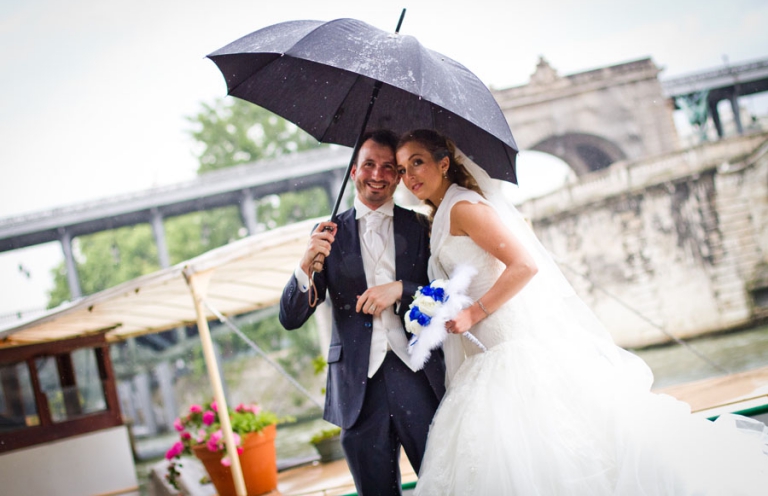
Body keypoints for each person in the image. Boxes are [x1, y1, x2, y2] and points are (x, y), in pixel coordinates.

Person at [395, 128, 768, 495]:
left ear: (443, 163)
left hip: (510, 350)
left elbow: (524, 265)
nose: (409, 176)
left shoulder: (463, 207)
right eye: (402, 169)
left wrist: (474, 313)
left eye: (417, 163)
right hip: (482, 355)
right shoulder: (440, 216)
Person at [279, 129, 445, 496]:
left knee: (443, 485)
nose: (378, 174)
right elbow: (290, 318)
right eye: (369, 164)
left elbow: (445, 296)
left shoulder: (420, 226)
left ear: (399, 176)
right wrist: (306, 264)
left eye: (389, 167)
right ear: (353, 171)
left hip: (419, 379)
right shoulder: (326, 235)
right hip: (357, 391)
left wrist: (401, 289)